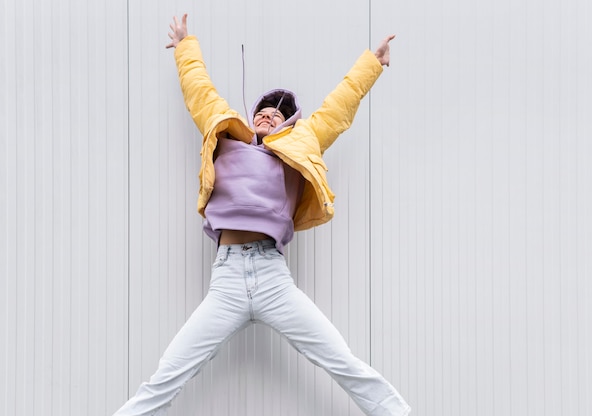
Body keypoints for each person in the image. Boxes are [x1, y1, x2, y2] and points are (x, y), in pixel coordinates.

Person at [113, 12, 411, 416]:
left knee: (341, 361)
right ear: (252, 116)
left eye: (279, 114)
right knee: (169, 372)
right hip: (228, 279)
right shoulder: (225, 134)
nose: (269, 115)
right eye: (264, 111)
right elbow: (200, 91)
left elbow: (338, 107)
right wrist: (185, 47)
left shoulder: (301, 143)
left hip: (273, 278)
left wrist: (371, 64)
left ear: (289, 123)